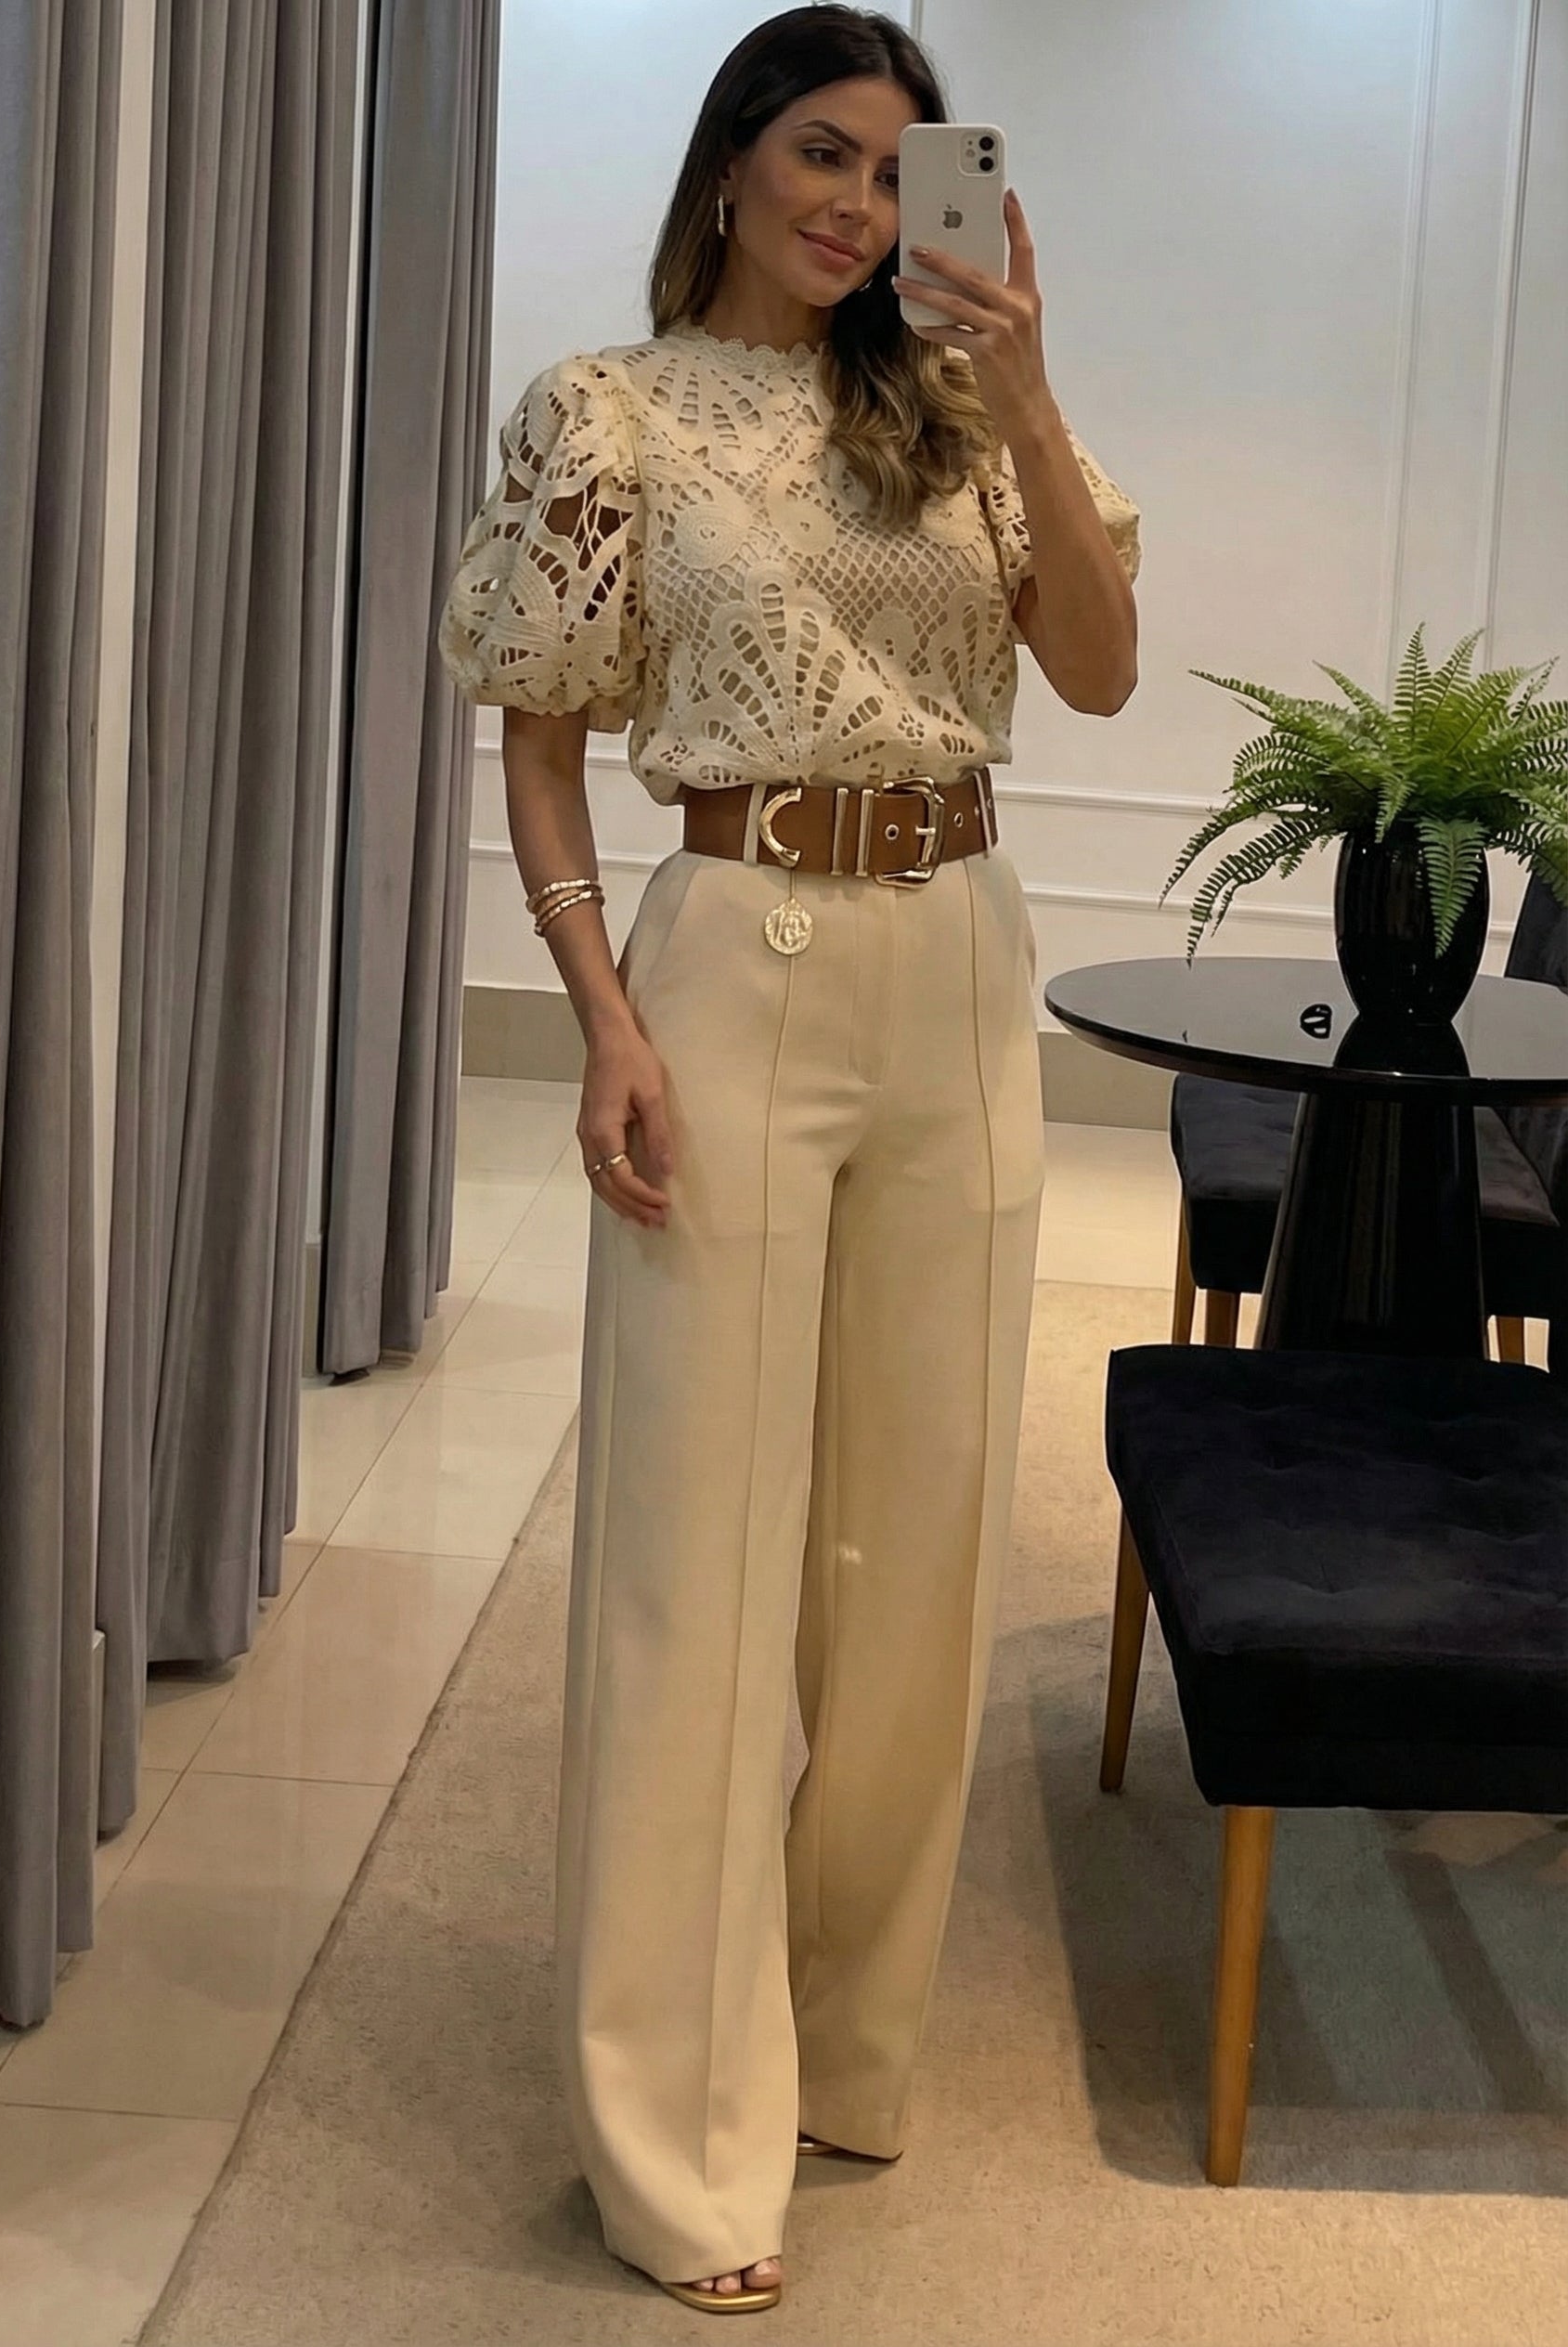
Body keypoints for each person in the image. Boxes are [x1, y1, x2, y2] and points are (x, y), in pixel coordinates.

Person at [439, 5, 1139, 2315]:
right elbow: (541, 743)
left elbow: (1099, 670)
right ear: (732, 164)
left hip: (958, 949)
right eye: (821, 154)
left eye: (898, 169)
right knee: (697, 1551)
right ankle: (676, 2129)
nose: (856, 205)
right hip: (729, 952)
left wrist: (1023, 380)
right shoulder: (608, 411)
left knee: (915, 1546)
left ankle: (843, 2043)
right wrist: (600, 1014)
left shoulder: (954, 414)